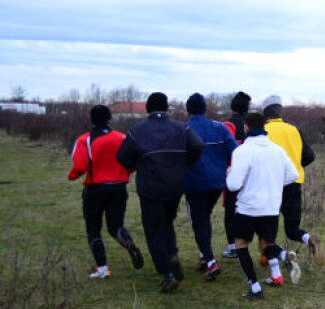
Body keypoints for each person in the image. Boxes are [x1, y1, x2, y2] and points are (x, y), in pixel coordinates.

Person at [116, 92, 204, 293]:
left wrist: (138, 164)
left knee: (154, 229)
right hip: (175, 185)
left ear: (147, 108)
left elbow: (122, 156)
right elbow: (198, 145)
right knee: (167, 222)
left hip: (150, 187)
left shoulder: (137, 130)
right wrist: (184, 163)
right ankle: (172, 254)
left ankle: (167, 274)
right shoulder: (181, 128)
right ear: (167, 108)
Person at [226, 111, 300, 299]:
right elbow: (293, 175)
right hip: (271, 207)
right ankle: (283, 256)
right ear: (264, 128)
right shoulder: (278, 150)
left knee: (241, 246)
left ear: (246, 127)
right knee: (267, 245)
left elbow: (233, 185)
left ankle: (255, 288)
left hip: (248, 208)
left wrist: (229, 173)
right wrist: (274, 183)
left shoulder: (241, 151)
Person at [67, 104, 144, 278]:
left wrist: (71, 176)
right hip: (118, 188)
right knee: (115, 226)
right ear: (110, 119)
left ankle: (102, 269)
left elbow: (79, 166)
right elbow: (133, 162)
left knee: (93, 229)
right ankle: (128, 243)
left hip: (95, 189)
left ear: (91, 120)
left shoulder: (85, 140)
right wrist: (124, 173)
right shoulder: (122, 137)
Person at [262, 95, 325, 266]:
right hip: (294, 184)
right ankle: (308, 239)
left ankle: (269, 257)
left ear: (265, 113)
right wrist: (296, 167)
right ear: (280, 111)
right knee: (292, 230)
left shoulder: (262, 130)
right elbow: (310, 156)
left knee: (267, 229)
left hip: (270, 186)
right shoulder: (294, 130)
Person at [183, 93, 238, 281]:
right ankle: (203, 255)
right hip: (216, 183)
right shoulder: (220, 128)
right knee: (204, 217)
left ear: (188, 110)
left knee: (198, 221)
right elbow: (235, 152)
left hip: (193, 184)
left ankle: (211, 262)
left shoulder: (184, 130)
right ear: (205, 109)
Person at [221, 91, 252, 259]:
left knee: (230, 209)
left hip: (231, 172)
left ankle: (232, 246)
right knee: (245, 208)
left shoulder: (227, 125)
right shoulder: (250, 125)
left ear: (232, 106)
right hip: (249, 173)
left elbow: (225, 149)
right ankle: (245, 244)